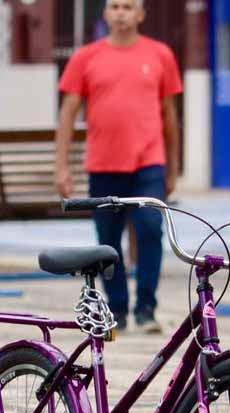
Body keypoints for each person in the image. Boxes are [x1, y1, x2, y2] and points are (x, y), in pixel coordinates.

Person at [54, 0, 182, 334]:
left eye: (128, 7)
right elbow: (68, 112)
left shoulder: (160, 55)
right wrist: (61, 167)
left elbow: (169, 115)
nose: (121, 12)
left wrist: (173, 165)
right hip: (104, 165)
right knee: (107, 243)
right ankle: (119, 309)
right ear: (106, 14)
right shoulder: (86, 57)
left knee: (150, 230)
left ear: (140, 14)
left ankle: (146, 308)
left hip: (149, 163)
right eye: (115, 6)